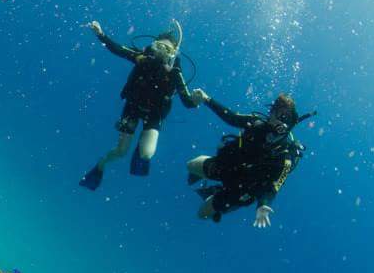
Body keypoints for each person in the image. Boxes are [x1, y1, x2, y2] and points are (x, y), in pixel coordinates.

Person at [79, 20, 199, 190]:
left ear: (173, 54)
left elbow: (187, 102)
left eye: (167, 49)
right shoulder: (141, 58)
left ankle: (141, 145)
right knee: (121, 152)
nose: (161, 52)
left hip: (155, 114)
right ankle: (101, 165)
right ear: (153, 45)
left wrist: (196, 100)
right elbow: (118, 49)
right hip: (133, 107)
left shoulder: (174, 72)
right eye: (159, 46)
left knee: (147, 153)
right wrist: (101, 34)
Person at [186, 91, 315, 227]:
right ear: (270, 113)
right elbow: (232, 117)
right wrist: (207, 99)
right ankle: (207, 178)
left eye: (284, 117)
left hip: (240, 191)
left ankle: (216, 192)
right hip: (225, 166)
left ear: (292, 122)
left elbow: (274, 186)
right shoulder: (256, 123)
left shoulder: (285, 155)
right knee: (191, 165)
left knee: (202, 214)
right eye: (275, 113)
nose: (278, 120)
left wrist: (263, 205)